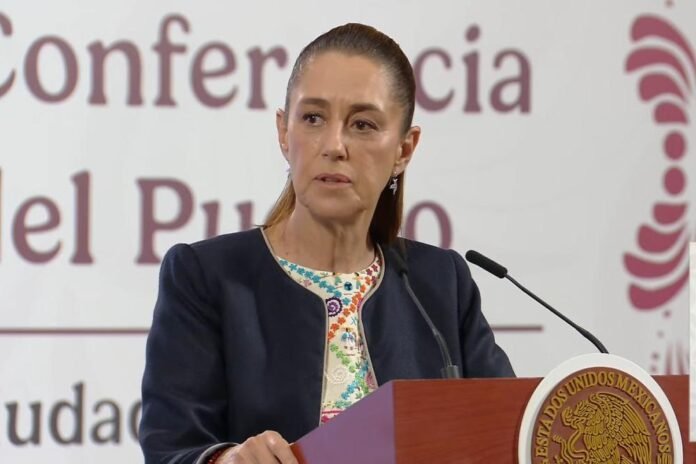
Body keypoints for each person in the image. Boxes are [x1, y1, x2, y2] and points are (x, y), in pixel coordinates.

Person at [139, 23, 514, 464]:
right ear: (284, 131)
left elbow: (510, 432)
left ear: (404, 149)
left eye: (363, 124)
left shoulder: (441, 283)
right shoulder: (204, 276)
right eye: (313, 118)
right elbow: (171, 449)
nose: (334, 146)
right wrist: (227, 460)